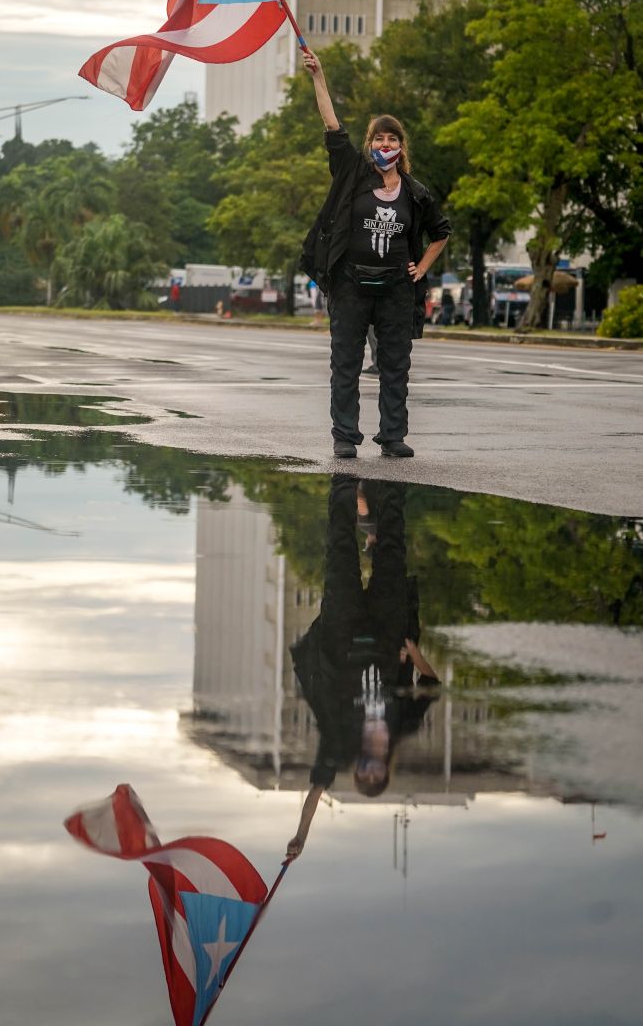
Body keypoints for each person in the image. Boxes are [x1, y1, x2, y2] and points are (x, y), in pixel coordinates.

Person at [300, 49, 451, 459]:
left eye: (392, 138)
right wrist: (319, 77)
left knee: (395, 366)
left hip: (396, 290)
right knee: (345, 363)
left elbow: (441, 232)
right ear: (370, 145)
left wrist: (420, 268)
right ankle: (344, 436)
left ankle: (393, 435)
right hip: (351, 285)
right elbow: (332, 125)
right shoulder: (353, 173)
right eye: (379, 138)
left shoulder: (416, 192)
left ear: (402, 147)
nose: (386, 144)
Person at [286, 476, 440, 861]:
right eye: (378, 776)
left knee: (339, 552)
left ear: (357, 770)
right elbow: (433, 684)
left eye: (363, 776)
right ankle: (392, 482)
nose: (370, 772)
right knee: (392, 550)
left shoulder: (340, 743)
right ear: (385, 769)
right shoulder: (401, 726)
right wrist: (413, 651)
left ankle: (343, 480)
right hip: (389, 631)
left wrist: (300, 837)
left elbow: (317, 790)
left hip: (344, 632)